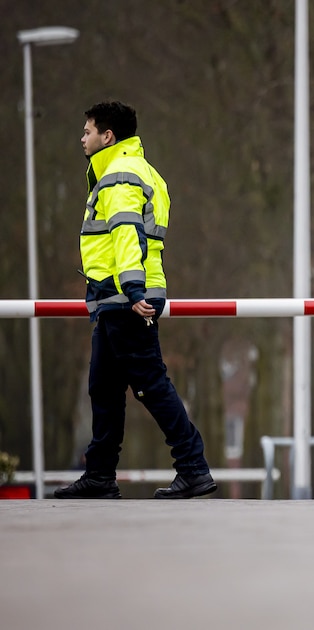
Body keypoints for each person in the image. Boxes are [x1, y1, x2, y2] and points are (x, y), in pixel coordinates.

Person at [55, 101, 217, 499]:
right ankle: (100, 475)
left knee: (150, 385)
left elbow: (127, 232)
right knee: (104, 388)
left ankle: (193, 468)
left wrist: (132, 290)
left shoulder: (119, 174)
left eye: (88, 131)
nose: (82, 138)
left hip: (125, 297)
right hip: (118, 297)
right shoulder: (141, 171)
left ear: (107, 136)